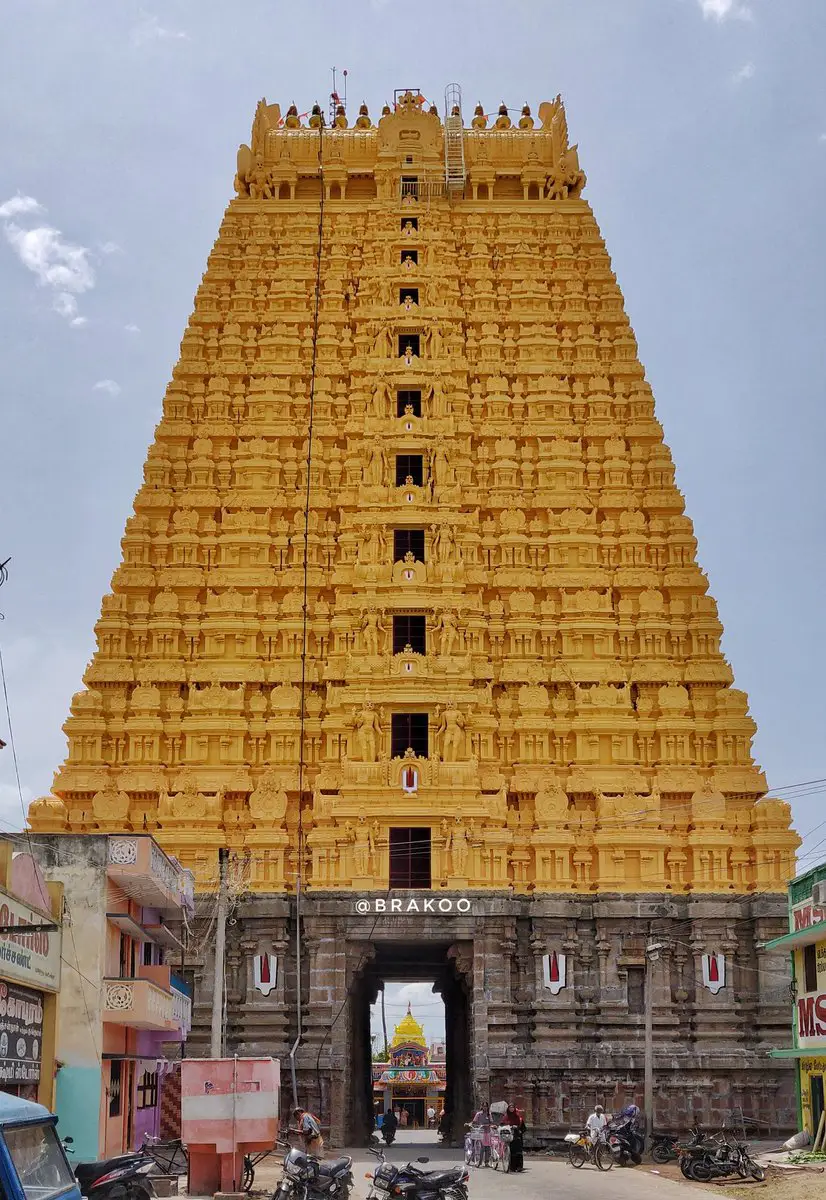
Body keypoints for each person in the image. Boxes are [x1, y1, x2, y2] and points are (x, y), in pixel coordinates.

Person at [503, 1103, 526, 1172]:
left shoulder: (518, 1118)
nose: (511, 1109)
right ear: (508, 1109)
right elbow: (502, 1124)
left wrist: (518, 1129)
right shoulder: (506, 1117)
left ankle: (519, 1167)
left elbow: (523, 1128)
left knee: (518, 1152)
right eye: (510, 1107)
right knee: (511, 1152)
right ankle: (512, 1167)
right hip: (509, 1136)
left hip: (517, 1136)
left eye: (512, 1107)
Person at [472, 1101, 492, 1166]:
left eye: (486, 1106)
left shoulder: (489, 1114)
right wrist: (477, 1125)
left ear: (487, 1107)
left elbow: (491, 1122)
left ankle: (486, 1162)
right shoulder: (478, 1114)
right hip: (480, 1132)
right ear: (482, 1107)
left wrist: (489, 1125)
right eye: (483, 1106)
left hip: (488, 1132)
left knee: (488, 1148)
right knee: (481, 1147)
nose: (485, 1107)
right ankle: (479, 1162)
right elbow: (474, 1121)